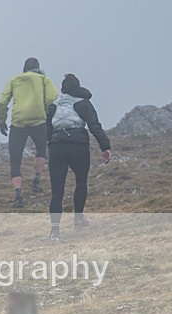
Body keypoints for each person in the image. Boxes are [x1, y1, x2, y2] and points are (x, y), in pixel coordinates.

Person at [45, 74, 111, 241]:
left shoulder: (52, 106)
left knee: (57, 190)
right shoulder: (84, 103)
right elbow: (95, 126)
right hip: (79, 146)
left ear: (62, 90)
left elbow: (47, 131)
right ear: (78, 88)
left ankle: (55, 231)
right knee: (81, 181)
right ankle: (78, 218)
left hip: (57, 147)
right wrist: (105, 147)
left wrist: (51, 146)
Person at [0, 57, 58, 208]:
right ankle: (36, 181)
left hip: (18, 122)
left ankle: (18, 194)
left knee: (15, 158)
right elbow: (53, 97)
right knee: (41, 150)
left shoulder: (14, 80)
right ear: (37, 67)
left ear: (24, 68)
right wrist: (45, 111)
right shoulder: (43, 79)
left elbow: (2, 102)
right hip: (39, 120)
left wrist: (2, 121)